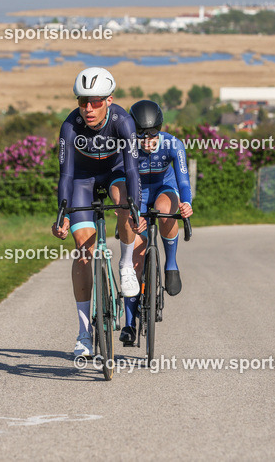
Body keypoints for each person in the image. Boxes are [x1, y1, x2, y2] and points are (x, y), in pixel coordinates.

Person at [51, 67, 143, 358]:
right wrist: (62, 214)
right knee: (83, 251)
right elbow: (65, 175)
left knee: (124, 200)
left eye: (95, 101)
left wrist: (136, 208)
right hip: (82, 179)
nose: (88, 108)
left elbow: (131, 169)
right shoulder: (70, 126)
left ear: (109, 100)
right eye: (82, 101)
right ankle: (83, 334)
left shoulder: (123, 122)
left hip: (115, 173)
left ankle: (126, 264)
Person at [120, 99, 193, 347]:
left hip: (164, 188)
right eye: (141, 136)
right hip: (138, 194)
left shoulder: (173, 144)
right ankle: (129, 323)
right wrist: (132, 210)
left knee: (165, 211)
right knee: (136, 260)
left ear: (160, 130)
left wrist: (186, 202)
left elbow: (183, 181)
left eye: (153, 135)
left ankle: (171, 263)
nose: (147, 141)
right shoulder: (126, 145)